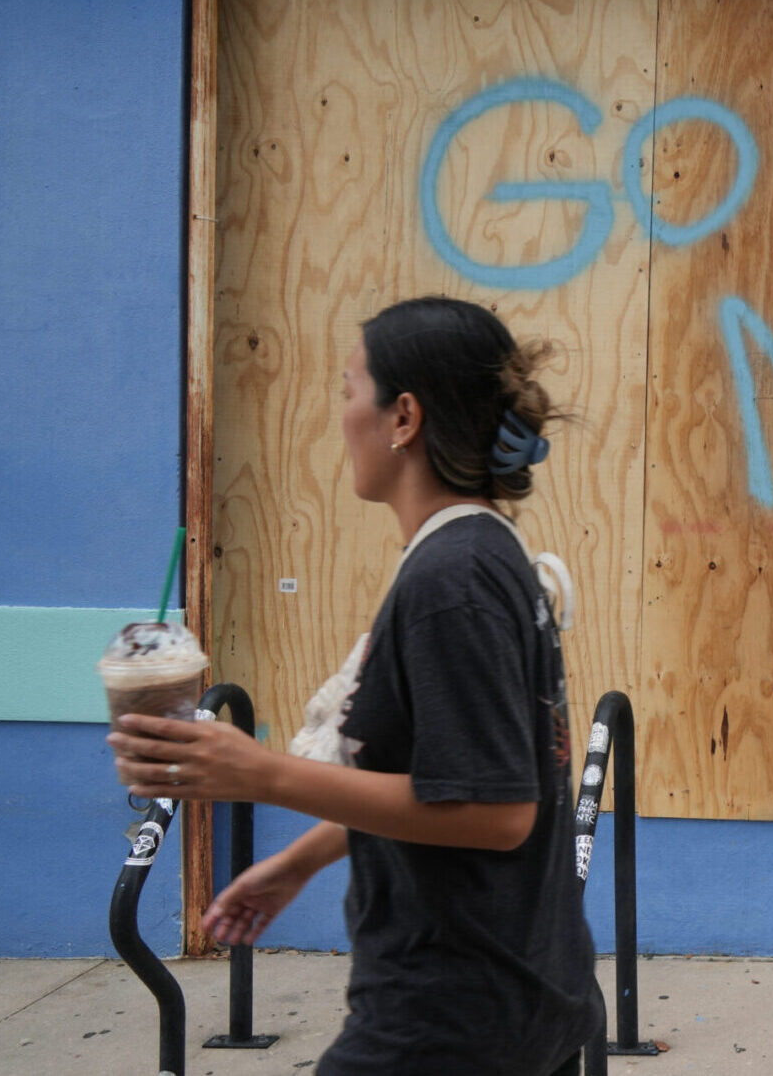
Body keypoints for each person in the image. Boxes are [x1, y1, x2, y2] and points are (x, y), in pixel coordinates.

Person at [108, 296, 601, 1076]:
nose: (340, 415)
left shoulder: (453, 582)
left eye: (347, 390)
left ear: (403, 417)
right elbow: (447, 771)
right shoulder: (481, 554)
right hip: (513, 995)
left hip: (448, 1017)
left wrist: (263, 774)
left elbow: (500, 812)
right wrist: (304, 858)